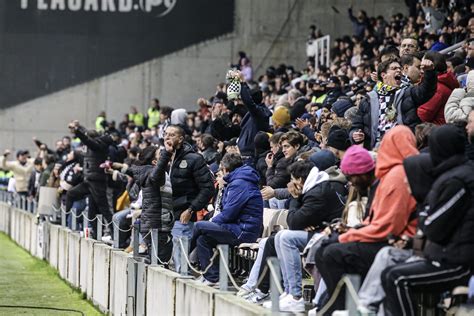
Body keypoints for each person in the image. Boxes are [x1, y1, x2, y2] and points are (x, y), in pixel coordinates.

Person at [315, 126, 419, 312]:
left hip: (394, 244)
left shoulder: (398, 176)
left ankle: (344, 307)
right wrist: (351, 232)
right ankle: (336, 306)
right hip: (387, 240)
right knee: (326, 250)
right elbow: (375, 221)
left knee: (331, 253)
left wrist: (346, 236)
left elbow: (386, 228)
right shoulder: (393, 175)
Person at [382, 125, 474, 316]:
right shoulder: (454, 175)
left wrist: (423, 207)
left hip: (458, 263)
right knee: (391, 270)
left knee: (397, 278)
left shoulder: (457, 180)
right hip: (448, 255)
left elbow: (433, 228)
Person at [190, 153, 263, 285]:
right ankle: (212, 277)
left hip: (243, 231)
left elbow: (228, 213)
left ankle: (182, 259)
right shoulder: (236, 182)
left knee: (199, 226)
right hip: (236, 227)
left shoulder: (240, 183)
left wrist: (211, 222)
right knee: (203, 239)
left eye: (220, 170)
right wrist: (223, 189)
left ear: (225, 169)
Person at [350, 57, 436, 149]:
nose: (399, 70)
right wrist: (354, 134)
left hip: (403, 146)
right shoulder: (368, 100)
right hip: (377, 148)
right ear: (383, 75)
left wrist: (429, 73)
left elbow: (426, 92)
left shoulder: (408, 93)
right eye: (394, 68)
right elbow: (356, 125)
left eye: (400, 68)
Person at [165, 125, 214, 273]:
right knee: (171, 262)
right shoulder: (164, 157)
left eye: (172, 135)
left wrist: (191, 209)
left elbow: (208, 188)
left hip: (183, 215)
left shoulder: (194, 159)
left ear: (181, 139)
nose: (167, 138)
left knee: (181, 264)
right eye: (166, 134)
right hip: (167, 215)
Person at [66, 120, 114, 238]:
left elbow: (87, 139)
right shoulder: (95, 144)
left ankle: (115, 233)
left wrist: (77, 131)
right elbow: (87, 135)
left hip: (97, 182)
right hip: (89, 180)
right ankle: (64, 217)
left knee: (104, 209)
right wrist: (78, 127)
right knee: (71, 194)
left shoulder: (98, 146)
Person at [417, 51, 459, 125]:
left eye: (422, 64)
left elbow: (424, 114)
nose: (420, 68)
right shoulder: (441, 82)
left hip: (433, 130)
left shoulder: (437, 87)